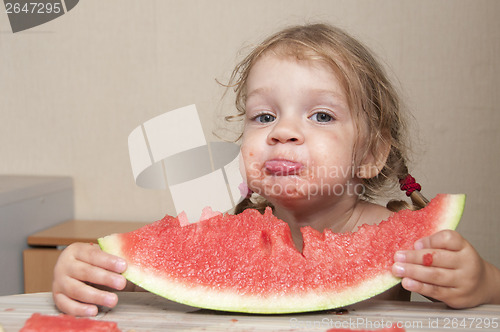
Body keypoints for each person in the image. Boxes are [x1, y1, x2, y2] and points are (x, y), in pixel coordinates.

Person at [52, 23, 500, 317]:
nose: (283, 132)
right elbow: (129, 274)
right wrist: (79, 270)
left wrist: (479, 282)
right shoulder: (223, 232)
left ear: (372, 154)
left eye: (321, 116)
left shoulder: (405, 238)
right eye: (264, 117)